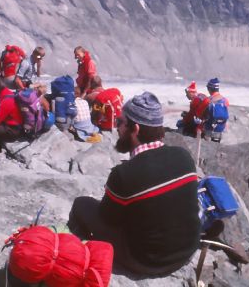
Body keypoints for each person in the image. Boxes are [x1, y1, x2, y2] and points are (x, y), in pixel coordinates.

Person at [68, 92, 200, 276]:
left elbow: (108, 219)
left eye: (120, 122)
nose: (117, 128)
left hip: (147, 262)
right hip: (187, 252)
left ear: (135, 129)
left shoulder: (125, 174)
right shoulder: (183, 156)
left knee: (82, 204)